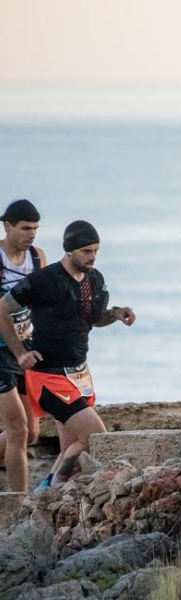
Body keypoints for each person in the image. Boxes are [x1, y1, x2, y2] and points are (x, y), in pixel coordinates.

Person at [0, 220, 135, 489]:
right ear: (69, 250)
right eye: (86, 251)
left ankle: (45, 496)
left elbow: (93, 318)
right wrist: (20, 352)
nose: (92, 257)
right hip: (48, 375)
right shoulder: (43, 280)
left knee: (70, 448)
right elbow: (3, 308)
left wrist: (115, 314)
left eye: (96, 251)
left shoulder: (94, 279)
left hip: (80, 374)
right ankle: (51, 485)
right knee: (95, 437)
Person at [0, 200, 47, 491]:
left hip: (25, 350)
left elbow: (47, 300)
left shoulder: (37, 258)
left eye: (35, 229)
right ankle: (20, 504)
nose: (32, 234)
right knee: (17, 430)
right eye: (26, 228)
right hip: (0, 353)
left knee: (31, 434)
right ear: (8, 226)